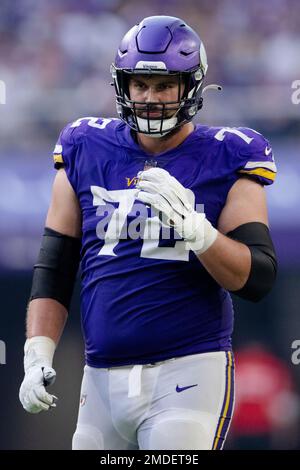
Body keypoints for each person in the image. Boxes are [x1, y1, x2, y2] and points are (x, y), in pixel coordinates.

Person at [19, 15, 277, 450]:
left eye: (164, 86)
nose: (150, 98)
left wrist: (201, 235)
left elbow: (258, 279)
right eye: (140, 85)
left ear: (190, 87)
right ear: (123, 85)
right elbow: (55, 266)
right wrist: (36, 353)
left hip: (189, 370)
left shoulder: (228, 154)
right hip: (99, 377)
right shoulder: (85, 145)